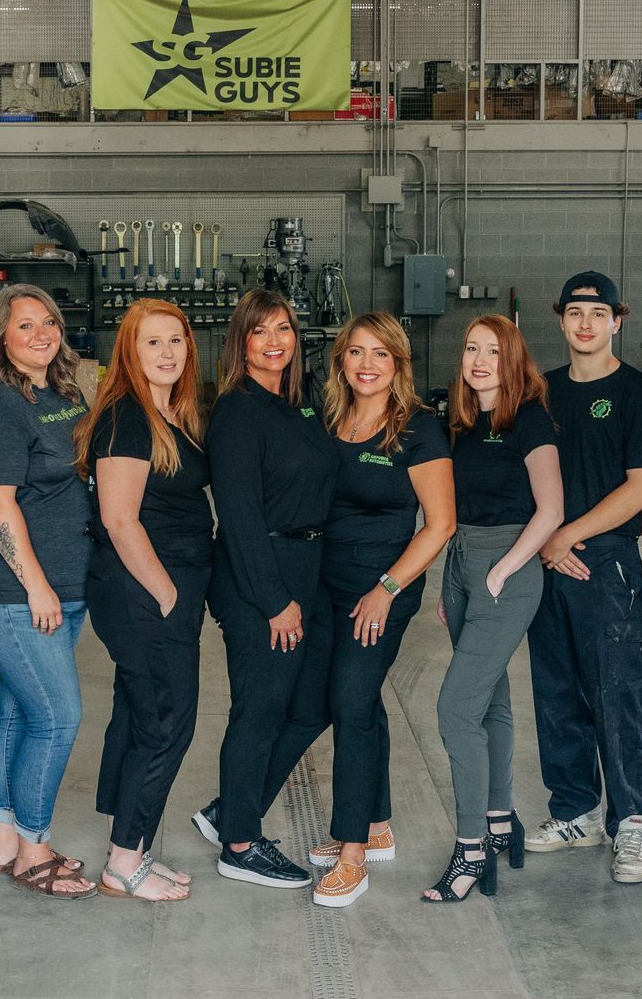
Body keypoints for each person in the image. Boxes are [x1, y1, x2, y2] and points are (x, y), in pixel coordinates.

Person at [253, 313, 455, 909]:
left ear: (399, 363)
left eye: (381, 355)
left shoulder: (417, 427)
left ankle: (352, 855)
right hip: (325, 582)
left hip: (382, 587)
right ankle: (376, 822)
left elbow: (440, 524)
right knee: (353, 700)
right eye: (356, 353)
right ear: (340, 359)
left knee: (350, 702)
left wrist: (387, 588)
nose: (367, 365)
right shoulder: (328, 419)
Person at [190, 290, 339, 889]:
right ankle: (240, 844)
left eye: (284, 330)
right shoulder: (236, 412)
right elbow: (240, 516)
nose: (275, 342)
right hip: (260, 576)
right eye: (260, 332)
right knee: (260, 708)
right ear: (240, 343)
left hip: (309, 566)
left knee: (313, 705)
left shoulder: (302, 406)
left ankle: (230, 808)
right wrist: (275, 601)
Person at [0, 285, 96, 900]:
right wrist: (36, 585)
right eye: (25, 326)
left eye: (48, 323)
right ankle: (36, 850)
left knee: (17, 709)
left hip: (66, 582)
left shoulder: (61, 392)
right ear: (1, 338)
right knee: (58, 716)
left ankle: (7, 840)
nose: (41, 334)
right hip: (14, 593)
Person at [525, 272, 642, 883]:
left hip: (603, 559)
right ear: (561, 320)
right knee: (556, 691)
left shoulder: (637, 394)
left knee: (616, 694)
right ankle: (575, 810)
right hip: (546, 560)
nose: (585, 322)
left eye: (597, 312)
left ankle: (632, 822)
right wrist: (545, 545)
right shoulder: (540, 393)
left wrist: (567, 535)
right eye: (575, 311)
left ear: (617, 321)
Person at [76, 299, 212, 903]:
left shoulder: (169, 414)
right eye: (151, 343)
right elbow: (119, 520)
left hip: (155, 592)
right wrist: (168, 594)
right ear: (128, 351)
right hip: (142, 592)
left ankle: (129, 843)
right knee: (167, 722)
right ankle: (124, 864)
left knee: (139, 715)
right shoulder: (127, 417)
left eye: (175, 341)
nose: (167, 353)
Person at [425, 316, 562, 903]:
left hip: (508, 570)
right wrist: (450, 578)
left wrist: (504, 570)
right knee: (490, 700)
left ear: (514, 359)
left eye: (493, 351)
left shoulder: (529, 419)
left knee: (455, 709)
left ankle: (470, 849)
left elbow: (551, 509)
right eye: (471, 348)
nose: (479, 360)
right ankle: (501, 818)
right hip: (460, 565)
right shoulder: (457, 424)